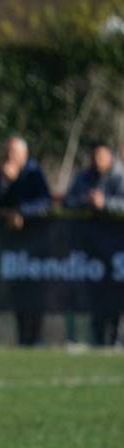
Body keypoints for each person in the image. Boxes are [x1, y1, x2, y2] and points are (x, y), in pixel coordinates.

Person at [0, 137, 53, 346]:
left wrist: (22, 213)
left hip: (35, 244)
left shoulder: (34, 173)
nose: (10, 156)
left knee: (34, 292)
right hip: (9, 245)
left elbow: (45, 202)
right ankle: (23, 339)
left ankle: (36, 338)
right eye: (8, 151)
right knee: (18, 293)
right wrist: (4, 182)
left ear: (25, 154)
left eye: (15, 152)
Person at [63, 141, 124, 346]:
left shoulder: (119, 176)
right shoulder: (84, 178)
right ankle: (97, 339)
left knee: (116, 295)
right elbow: (68, 201)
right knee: (95, 297)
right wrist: (86, 201)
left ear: (110, 158)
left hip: (117, 249)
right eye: (95, 157)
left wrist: (105, 203)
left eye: (102, 157)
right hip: (90, 248)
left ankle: (115, 338)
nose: (97, 162)